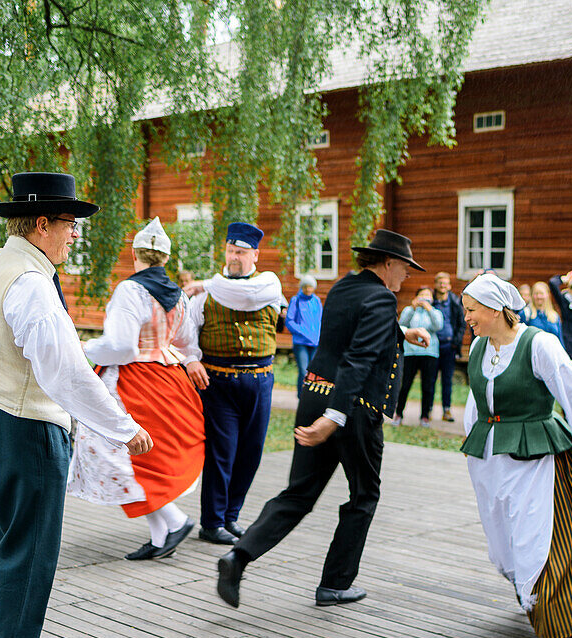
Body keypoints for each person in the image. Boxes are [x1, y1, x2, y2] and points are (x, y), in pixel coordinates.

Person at [0, 171, 151, 638]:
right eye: (71, 224)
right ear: (42, 223)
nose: (75, 235)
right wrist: (122, 428)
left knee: (4, 548)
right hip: (21, 431)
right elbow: (63, 372)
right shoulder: (31, 284)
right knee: (29, 552)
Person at [216, 229, 430, 609]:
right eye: (406, 268)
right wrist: (336, 416)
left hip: (313, 395)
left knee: (298, 493)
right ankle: (334, 584)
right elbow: (359, 358)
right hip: (353, 410)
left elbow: (350, 332)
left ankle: (239, 557)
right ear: (388, 263)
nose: (407, 276)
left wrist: (400, 333)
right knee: (364, 495)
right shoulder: (381, 298)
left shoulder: (345, 287)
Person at [460, 274, 572, 638]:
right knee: (505, 534)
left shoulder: (539, 344)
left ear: (494, 309)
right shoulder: (478, 349)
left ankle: (558, 627)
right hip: (492, 460)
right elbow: (478, 403)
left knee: (538, 535)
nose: (467, 317)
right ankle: (532, 600)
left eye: (472, 310)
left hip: (535, 459)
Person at [66, 217, 206, 560]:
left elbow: (123, 346)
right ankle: (161, 534)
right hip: (169, 379)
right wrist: (188, 360)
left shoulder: (130, 289)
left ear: (135, 254)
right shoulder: (179, 295)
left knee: (117, 454)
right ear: (166, 258)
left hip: (132, 381)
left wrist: (85, 349)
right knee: (142, 460)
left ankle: (174, 520)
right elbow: (187, 342)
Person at [183, 222, 286, 545]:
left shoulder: (269, 284)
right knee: (222, 452)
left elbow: (245, 293)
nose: (234, 258)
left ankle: (231, 516)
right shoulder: (204, 297)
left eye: (241, 252)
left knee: (251, 452)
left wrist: (204, 283)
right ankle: (212, 522)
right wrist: (191, 359)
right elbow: (185, 332)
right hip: (219, 380)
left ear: (255, 253)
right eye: (230, 251)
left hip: (260, 380)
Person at [392, 286, 444, 427]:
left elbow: (438, 326)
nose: (424, 298)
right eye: (422, 295)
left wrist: (429, 309)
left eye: (428, 296)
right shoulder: (409, 310)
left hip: (430, 352)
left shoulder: (436, 312)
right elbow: (401, 326)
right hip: (411, 352)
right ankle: (398, 414)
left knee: (428, 386)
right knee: (405, 384)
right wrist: (412, 308)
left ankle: (425, 416)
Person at [431, 271, 465, 422]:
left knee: (447, 379)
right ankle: (428, 410)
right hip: (431, 347)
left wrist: (455, 342)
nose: (443, 285)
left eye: (445, 283)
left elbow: (461, 323)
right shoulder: (430, 301)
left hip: (448, 346)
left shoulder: (455, 302)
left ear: (449, 286)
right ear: (436, 285)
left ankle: (447, 410)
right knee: (430, 379)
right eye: (440, 282)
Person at [285, 274, 322, 390]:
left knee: (313, 371)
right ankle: (301, 396)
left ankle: (310, 396)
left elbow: (320, 320)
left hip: (315, 342)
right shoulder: (295, 300)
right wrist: (303, 332)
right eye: (306, 287)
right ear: (302, 287)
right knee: (303, 369)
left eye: (310, 287)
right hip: (300, 342)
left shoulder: (316, 301)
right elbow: (289, 321)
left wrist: (319, 335)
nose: (308, 290)